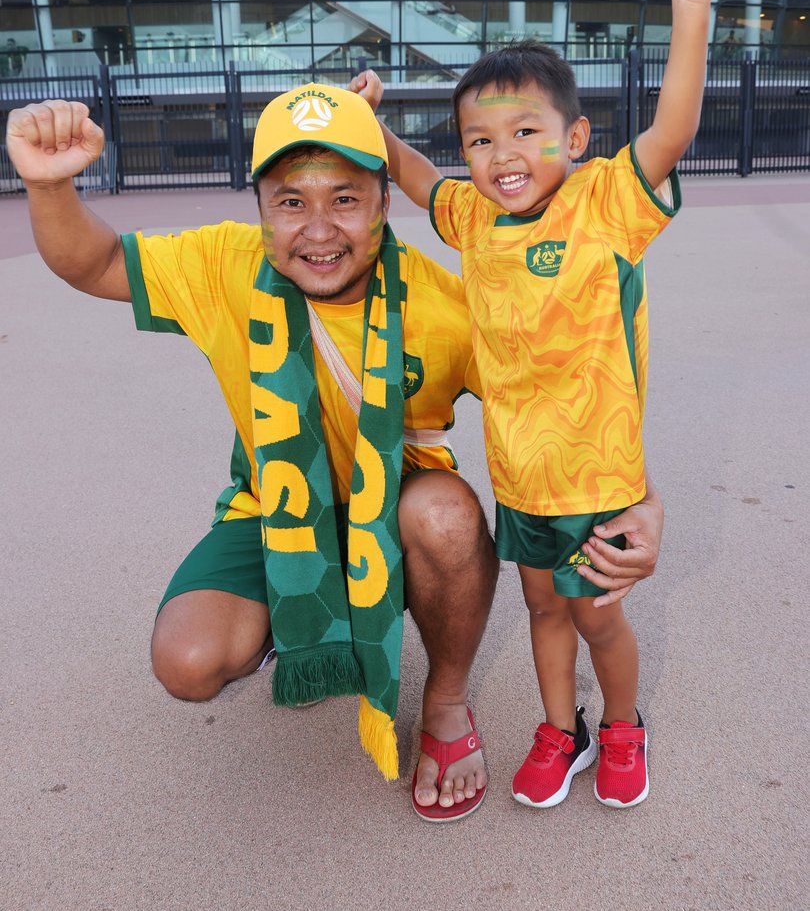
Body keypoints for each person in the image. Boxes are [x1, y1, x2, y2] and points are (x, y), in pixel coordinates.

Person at [6, 84, 664, 823]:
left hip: (401, 516)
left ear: (385, 202)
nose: (318, 230)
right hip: (276, 509)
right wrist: (48, 183)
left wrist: (637, 497)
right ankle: (310, 616)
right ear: (260, 207)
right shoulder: (224, 263)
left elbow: (569, 389)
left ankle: (445, 706)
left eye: (345, 199)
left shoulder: (445, 301)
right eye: (291, 202)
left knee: (448, 516)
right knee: (188, 662)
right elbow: (92, 264)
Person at [350, 0, 734, 811]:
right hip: (520, 476)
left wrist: (689, 6)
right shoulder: (472, 217)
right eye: (479, 140)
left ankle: (624, 726)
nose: (501, 156)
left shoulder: (604, 201)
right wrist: (369, 124)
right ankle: (560, 730)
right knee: (545, 613)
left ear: (574, 136)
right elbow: (412, 176)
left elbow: (673, 131)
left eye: (526, 132)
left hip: (600, 474)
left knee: (600, 614)